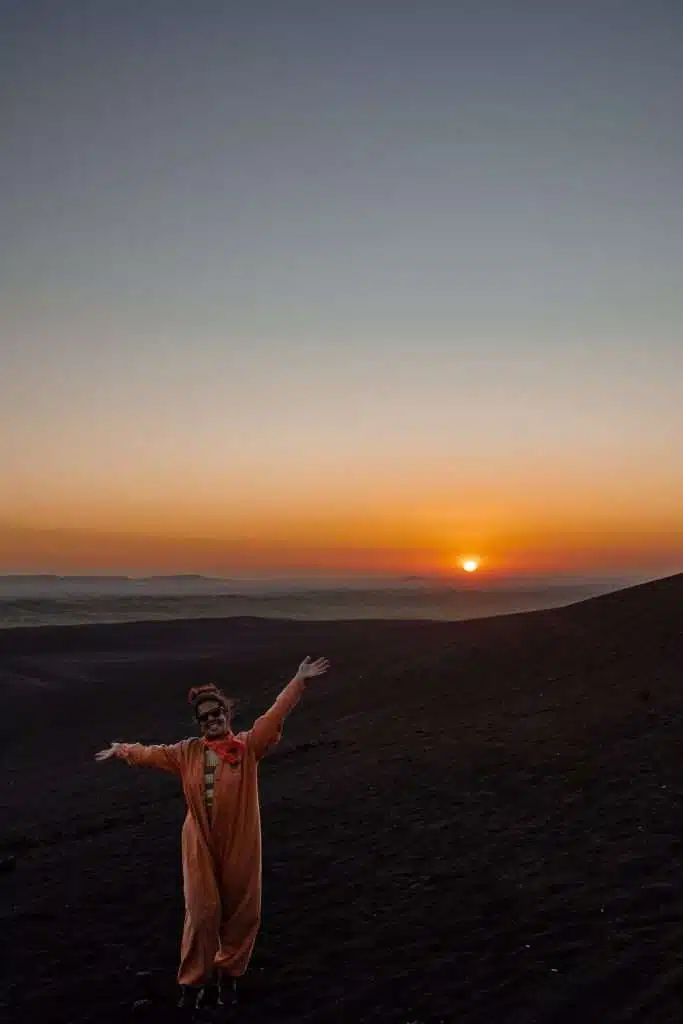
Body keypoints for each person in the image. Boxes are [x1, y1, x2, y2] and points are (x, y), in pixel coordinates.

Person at [94, 655, 330, 1013]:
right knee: (202, 913)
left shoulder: (248, 748)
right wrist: (123, 749)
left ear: (227, 715)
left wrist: (298, 681)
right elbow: (151, 753)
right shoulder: (186, 752)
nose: (212, 720)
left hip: (241, 841)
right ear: (199, 723)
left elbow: (274, 716)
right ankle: (191, 987)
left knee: (243, 912)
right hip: (199, 844)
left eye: (216, 714)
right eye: (204, 717)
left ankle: (229, 979)